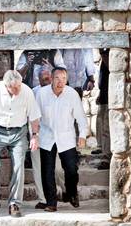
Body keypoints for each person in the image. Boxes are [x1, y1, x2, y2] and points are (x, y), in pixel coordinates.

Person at [0, 70, 41, 217]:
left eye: (19, 85)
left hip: (18, 132)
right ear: (6, 86)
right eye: (14, 87)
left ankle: (14, 204)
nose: (18, 89)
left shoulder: (27, 92)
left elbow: (34, 116)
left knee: (19, 165)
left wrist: (35, 136)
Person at [36, 67, 89, 212]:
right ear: (51, 79)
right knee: (47, 171)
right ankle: (51, 202)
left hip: (66, 137)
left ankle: (71, 193)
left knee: (71, 169)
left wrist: (83, 135)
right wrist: (34, 135)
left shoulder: (72, 94)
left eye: (64, 79)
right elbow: (35, 117)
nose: (61, 82)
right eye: (57, 78)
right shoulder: (42, 94)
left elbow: (80, 117)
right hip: (47, 136)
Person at [30, 68, 52, 209]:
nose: (48, 80)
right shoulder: (32, 93)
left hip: (54, 137)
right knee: (37, 166)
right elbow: (30, 116)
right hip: (37, 134)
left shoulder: (59, 91)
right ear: (39, 79)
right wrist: (33, 135)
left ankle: (63, 189)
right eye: (45, 78)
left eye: (49, 77)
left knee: (56, 168)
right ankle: (43, 198)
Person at [92, 49, 111, 170]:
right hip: (104, 96)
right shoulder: (103, 63)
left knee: (107, 128)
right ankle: (102, 149)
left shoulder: (109, 61)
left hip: (110, 98)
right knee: (101, 122)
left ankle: (107, 156)